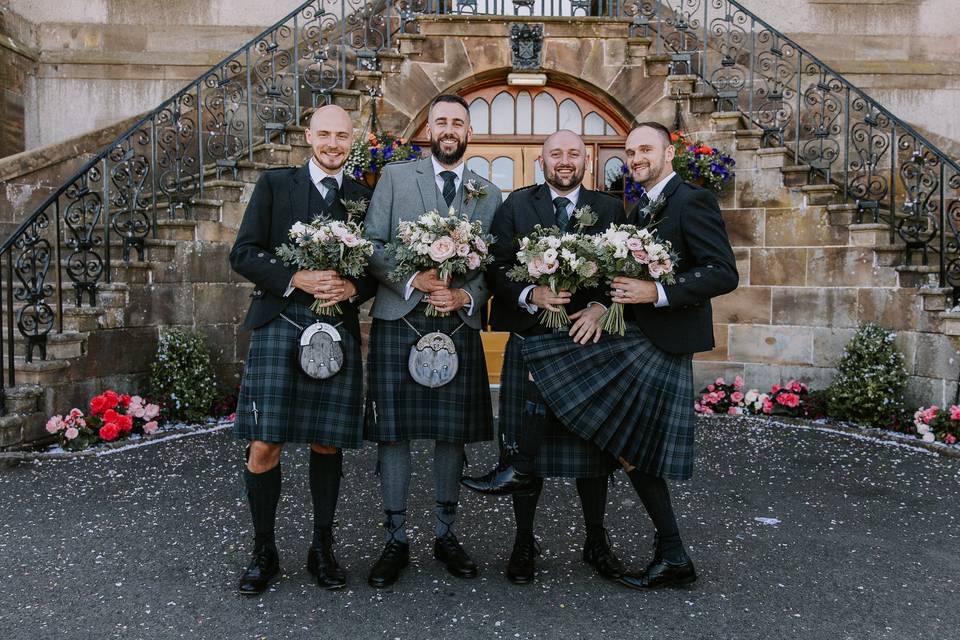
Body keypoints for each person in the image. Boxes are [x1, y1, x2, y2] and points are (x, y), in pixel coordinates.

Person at [519, 121, 738, 590]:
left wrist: (654, 290)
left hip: (664, 340)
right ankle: (673, 552)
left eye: (645, 149)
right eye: (631, 150)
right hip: (638, 339)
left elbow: (722, 273)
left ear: (668, 154)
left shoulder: (691, 199)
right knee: (622, 441)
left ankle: (674, 552)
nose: (636, 157)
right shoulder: (637, 206)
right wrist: (604, 304)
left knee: (631, 445)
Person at [460, 130, 626, 583]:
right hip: (532, 339)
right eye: (557, 154)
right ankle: (523, 541)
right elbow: (493, 266)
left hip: (588, 343)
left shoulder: (609, 209)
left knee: (593, 449)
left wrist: (601, 306)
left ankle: (596, 540)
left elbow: (625, 270)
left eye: (574, 153)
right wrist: (531, 293)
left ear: (586, 161)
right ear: (542, 160)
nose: (566, 161)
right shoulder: (515, 206)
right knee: (521, 451)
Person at [229, 105, 374, 595]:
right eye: (325, 134)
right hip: (279, 325)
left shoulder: (362, 197)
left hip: (337, 329)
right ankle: (263, 550)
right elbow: (244, 252)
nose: (333, 144)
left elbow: (374, 270)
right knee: (266, 442)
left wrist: (354, 289)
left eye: (342, 136)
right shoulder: (275, 185)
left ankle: (322, 547)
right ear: (309, 135)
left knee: (326, 439)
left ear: (353, 140)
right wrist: (293, 277)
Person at [363, 94, 501, 588]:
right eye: (441, 120)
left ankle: (445, 534)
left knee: (451, 434)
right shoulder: (398, 177)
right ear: (429, 128)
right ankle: (395, 538)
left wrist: (466, 295)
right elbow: (372, 244)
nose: (449, 129)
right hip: (400, 319)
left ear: (468, 132)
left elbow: (494, 268)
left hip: (456, 325)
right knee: (394, 433)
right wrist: (410, 281)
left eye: (457, 123)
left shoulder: (489, 192)